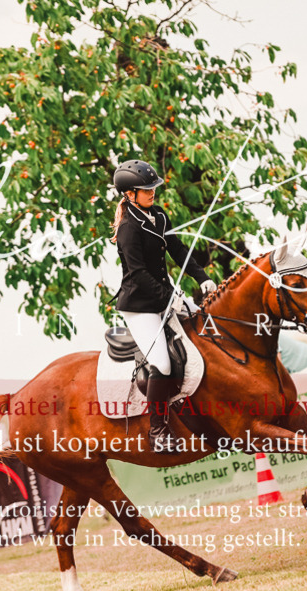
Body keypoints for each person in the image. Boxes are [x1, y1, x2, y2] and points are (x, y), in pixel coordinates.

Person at [111, 159, 216, 453]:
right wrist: (170, 295)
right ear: (129, 194)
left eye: (153, 187)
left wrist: (202, 277)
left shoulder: (158, 215)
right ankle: (158, 431)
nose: (152, 192)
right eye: (146, 189)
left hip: (165, 296)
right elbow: (138, 273)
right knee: (162, 363)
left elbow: (178, 250)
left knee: (205, 330)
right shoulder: (128, 228)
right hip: (140, 306)